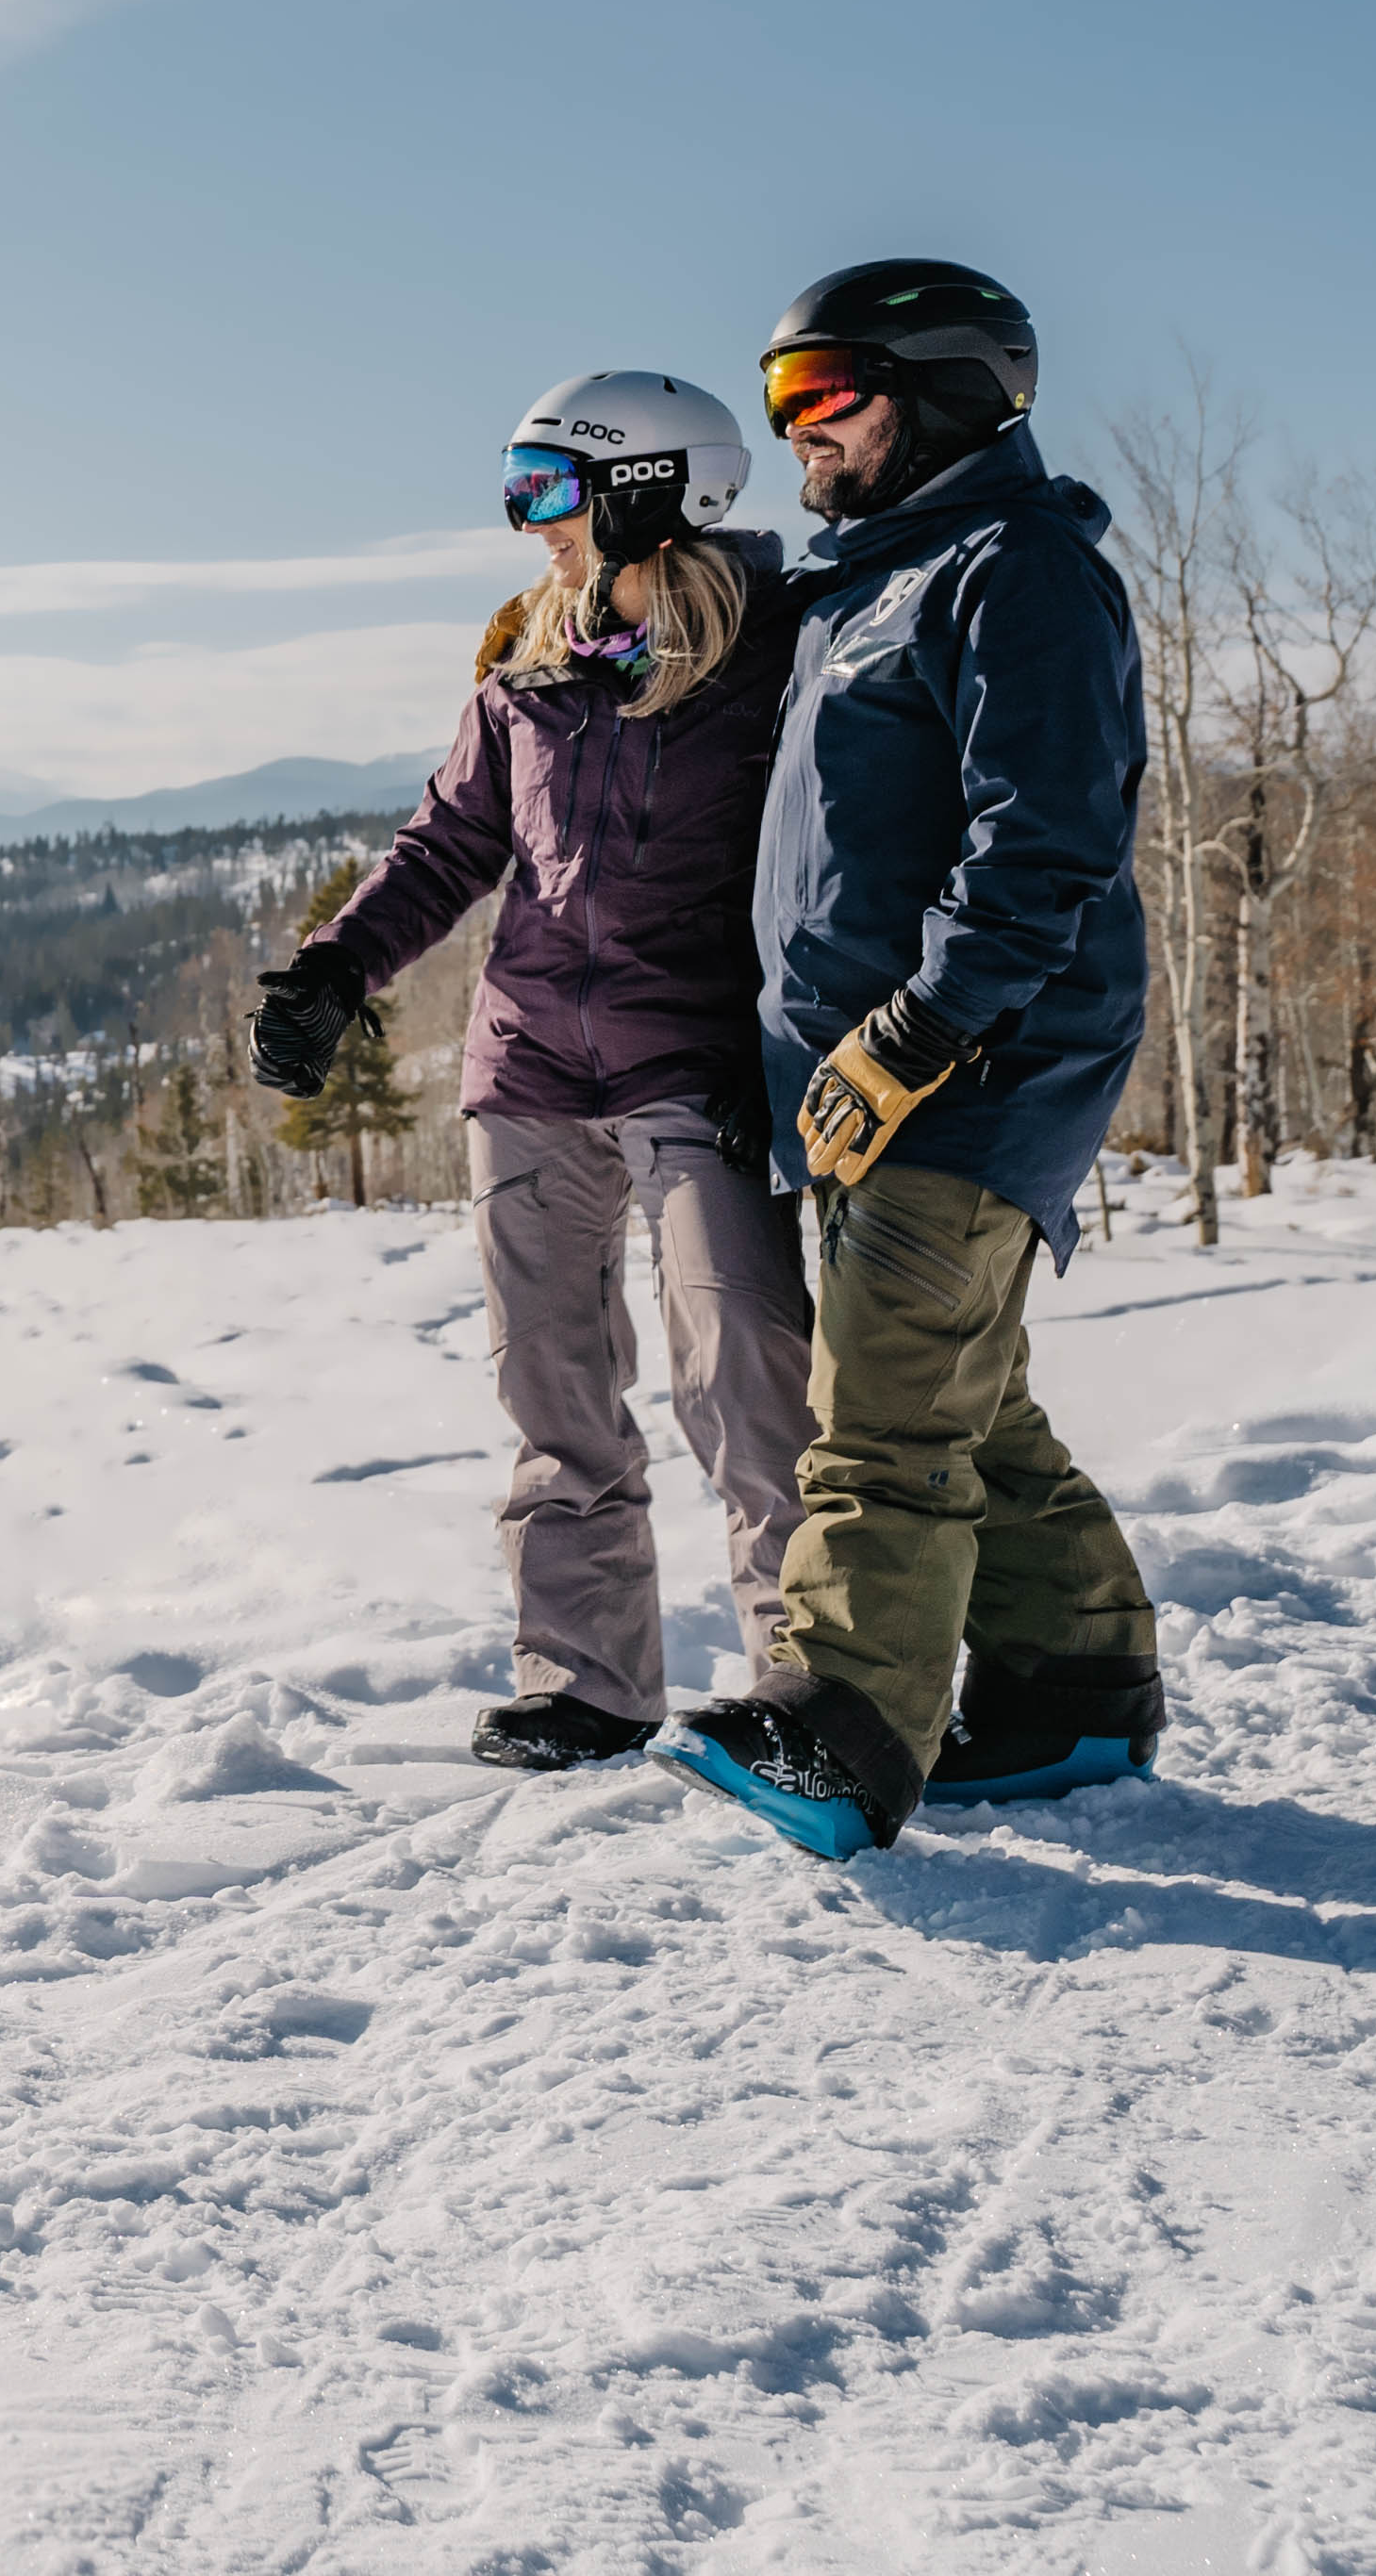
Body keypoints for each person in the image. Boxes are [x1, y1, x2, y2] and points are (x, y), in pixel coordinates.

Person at [663, 259, 1164, 1859]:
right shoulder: (865, 585)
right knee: (968, 1397)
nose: (793, 429)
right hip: (859, 1074)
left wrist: (919, 1031)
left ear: (946, 393)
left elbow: (1047, 837)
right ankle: (1073, 1691)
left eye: (823, 393)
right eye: (778, 398)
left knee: (881, 1415)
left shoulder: (1018, 570)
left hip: (973, 1063)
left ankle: (843, 1728)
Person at [248, 372, 820, 1773]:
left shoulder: (782, 653)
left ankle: (813, 1684)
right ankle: (588, 1683)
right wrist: (336, 970)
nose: (527, 524)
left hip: (696, 1061)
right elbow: (449, 845)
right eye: (517, 491)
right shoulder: (528, 663)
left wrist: (810, 1033)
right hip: (529, 1067)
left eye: (548, 490)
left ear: (653, 490)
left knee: (748, 1381)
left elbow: (837, 854)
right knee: (554, 1391)